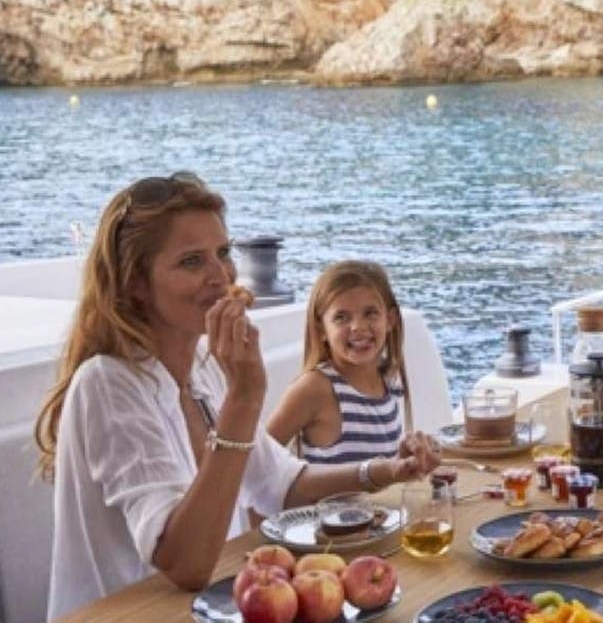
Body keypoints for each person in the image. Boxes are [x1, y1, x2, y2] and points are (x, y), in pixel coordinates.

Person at [33, 173, 441, 620]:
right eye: (192, 261)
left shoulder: (206, 366)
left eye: (223, 254)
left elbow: (282, 487)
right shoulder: (109, 384)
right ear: (135, 283)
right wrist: (245, 399)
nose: (220, 276)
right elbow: (185, 563)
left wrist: (388, 470)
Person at [266, 260, 410, 464]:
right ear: (321, 329)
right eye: (341, 317)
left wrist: (405, 459)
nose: (358, 327)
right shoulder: (314, 388)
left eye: (370, 313)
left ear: (390, 320)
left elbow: (380, 470)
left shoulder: (387, 380)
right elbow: (256, 464)